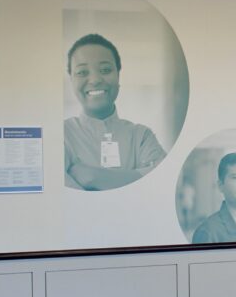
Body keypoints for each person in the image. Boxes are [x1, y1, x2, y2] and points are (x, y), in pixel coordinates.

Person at [64, 33, 166, 190]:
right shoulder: (61, 135)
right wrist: (136, 178)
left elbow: (161, 183)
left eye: (105, 69)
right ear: (71, 80)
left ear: (118, 76)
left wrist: (93, 178)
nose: (95, 79)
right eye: (82, 72)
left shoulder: (141, 137)